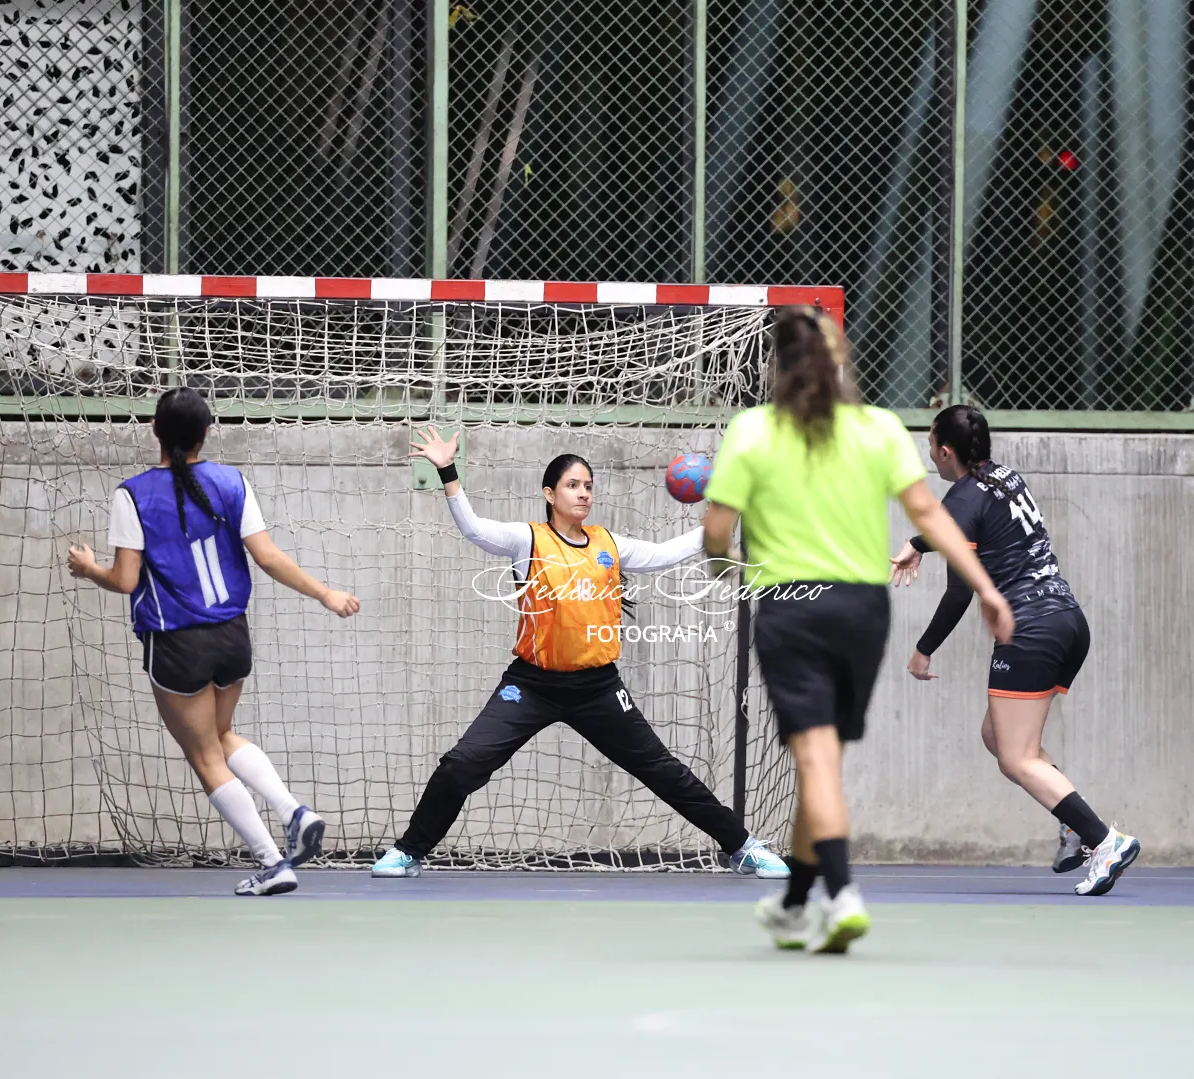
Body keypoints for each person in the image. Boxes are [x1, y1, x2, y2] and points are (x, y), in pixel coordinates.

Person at [703, 307, 1015, 954]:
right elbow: (928, 513)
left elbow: (715, 536)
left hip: (792, 605)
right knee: (821, 761)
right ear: (841, 361)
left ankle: (841, 894)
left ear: (777, 367)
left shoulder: (752, 431)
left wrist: (728, 568)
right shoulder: (880, 429)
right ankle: (795, 905)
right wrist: (985, 588)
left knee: (816, 759)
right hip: (863, 612)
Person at [370, 428, 789, 879]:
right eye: (572, 485)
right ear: (549, 494)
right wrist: (447, 470)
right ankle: (408, 852)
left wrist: (714, 523)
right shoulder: (527, 540)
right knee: (461, 765)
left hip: (597, 688)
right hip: (532, 685)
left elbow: (664, 554)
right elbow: (472, 527)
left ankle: (742, 848)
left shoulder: (608, 545)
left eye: (588, 485)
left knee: (663, 770)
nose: (583, 493)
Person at [66, 387, 359, 895]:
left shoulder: (133, 494)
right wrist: (325, 593)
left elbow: (126, 581)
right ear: (206, 433)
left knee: (204, 755)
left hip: (177, 642)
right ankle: (292, 811)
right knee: (221, 735)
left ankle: (272, 862)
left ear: (155, 430)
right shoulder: (232, 482)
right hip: (232, 637)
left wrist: (90, 569)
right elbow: (268, 557)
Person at [889, 405, 1142, 896]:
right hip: (1066, 619)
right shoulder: (1005, 478)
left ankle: (1105, 841)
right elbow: (967, 526)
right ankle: (1075, 823)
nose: (930, 456)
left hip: (1030, 629)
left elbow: (960, 590)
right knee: (997, 735)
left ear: (946, 451)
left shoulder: (961, 497)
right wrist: (920, 542)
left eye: (931, 447)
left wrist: (923, 650)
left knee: (1015, 758)